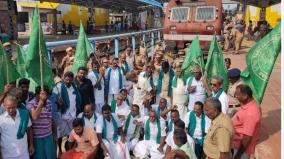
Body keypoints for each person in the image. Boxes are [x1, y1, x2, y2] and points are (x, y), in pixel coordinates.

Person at [53, 71, 82, 155]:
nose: (68, 82)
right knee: (60, 135)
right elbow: (54, 100)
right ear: (63, 79)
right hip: (62, 115)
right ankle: (60, 151)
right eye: (66, 80)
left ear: (72, 79)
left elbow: (77, 100)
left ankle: (70, 150)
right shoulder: (58, 87)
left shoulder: (74, 87)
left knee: (72, 135)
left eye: (70, 80)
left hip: (72, 115)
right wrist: (58, 103)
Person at [231, 84, 261, 159]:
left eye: (238, 94)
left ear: (245, 96)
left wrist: (238, 155)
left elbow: (247, 138)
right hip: (236, 144)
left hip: (242, 150)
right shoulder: (247, 105)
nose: (236, 96)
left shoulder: (250, 114)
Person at [27, 86, 57, 159]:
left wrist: (55, 135)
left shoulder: (48, 102)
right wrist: (41, 102)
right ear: (37, 94)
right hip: (37, 138)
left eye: (46, 95)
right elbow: (34, 117)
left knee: (51, 157)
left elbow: (51, 119)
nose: (45, 97)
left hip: (49, 136)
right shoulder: (30, 104)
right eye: (42, 94)